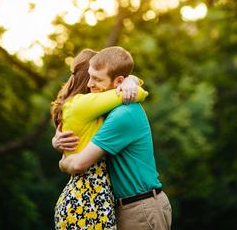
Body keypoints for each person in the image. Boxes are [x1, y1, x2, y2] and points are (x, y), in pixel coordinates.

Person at [57, 46, 172, 230]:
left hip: (139, 207)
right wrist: (58, 142)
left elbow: (79, 164)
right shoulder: (111, 110)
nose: (89, 84)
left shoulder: (122, 115)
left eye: (97, 79)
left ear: (118, 81)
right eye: (89, 76)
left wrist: (63, 162)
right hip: (131, 205)